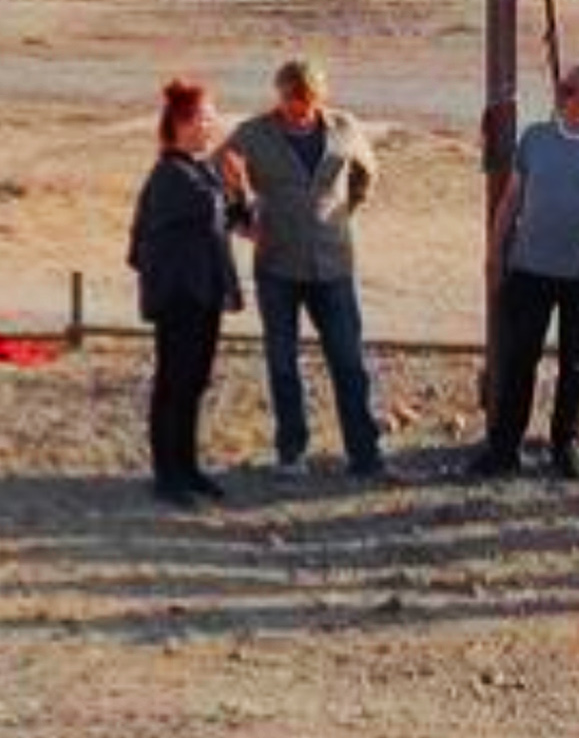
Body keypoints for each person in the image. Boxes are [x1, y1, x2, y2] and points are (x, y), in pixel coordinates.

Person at [471, 63, 579, 481]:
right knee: (519, 357)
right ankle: (504, 447)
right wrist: (494, 252)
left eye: (574, 91)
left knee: (575, 363)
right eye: (562, 90)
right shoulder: (535, 138)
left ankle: (567, 445)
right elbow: (511, 199)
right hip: (529, 267)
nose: (564, 97)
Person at [224, 58, 386, 477]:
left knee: (348, 361)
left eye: (307, 100)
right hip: (277, 265)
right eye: (292, 100)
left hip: (333, 265)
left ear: (320, 96)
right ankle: (291, 454)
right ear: (279, 95)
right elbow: (217, 173)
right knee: (283, 363)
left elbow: (367, 172)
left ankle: (364, 454)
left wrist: (344, 209)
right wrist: (240, 217)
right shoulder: (253, 134)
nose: (299, 109)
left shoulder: (343, 128)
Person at [127, 78, 253, 507]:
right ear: (182, 123)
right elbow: (212, 209)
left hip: (202, 294)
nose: (212, 124)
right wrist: (234, 186)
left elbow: (235, 217)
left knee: (193, 383)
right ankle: (168, 474)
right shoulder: (171, 175)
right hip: (181, 297)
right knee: (174, 384)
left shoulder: (198, 168)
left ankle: (188, 466)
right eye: (205, 117)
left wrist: (237, 188)